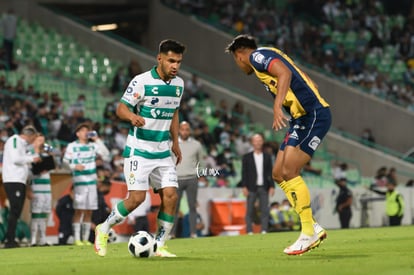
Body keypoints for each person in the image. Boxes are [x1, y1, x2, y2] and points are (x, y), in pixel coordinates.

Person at [226, 34, 331, 255]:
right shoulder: (267, 57)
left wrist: (276, 108)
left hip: (312, 116)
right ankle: (312, 225)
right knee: (277, 173)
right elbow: (302, 77)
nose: (238, 65)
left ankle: (307, 232)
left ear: (239, 55)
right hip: (300, 119)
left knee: (290, 171)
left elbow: (284, 73)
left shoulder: (257, 56)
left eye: (235, 60)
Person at [94, 39, 186, 258]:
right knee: (137, 199)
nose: (175, 66)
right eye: (171, 60)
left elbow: (174, 112)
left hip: (163, 150)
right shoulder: (142, 81)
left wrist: (176, 142)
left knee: (171, 196)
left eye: (179, 62)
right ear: (160, 59)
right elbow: (121, 108)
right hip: (140, 149)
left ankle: (160, 245)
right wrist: (132, 116)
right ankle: (104, 228)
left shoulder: (179, 85)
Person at [63, 122, 110, 246]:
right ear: (78, 133)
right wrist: (74, 166)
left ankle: (85, 239)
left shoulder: (93, 146)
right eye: (83, 130)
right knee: (79, 210)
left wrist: (97, 140)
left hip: (91, 182)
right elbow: (65, 161)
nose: (85, 132)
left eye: (87, 130)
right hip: (79, 182)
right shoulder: (72, 146)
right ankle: (77, 238)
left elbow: (106, 155)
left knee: (89, 210)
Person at [2, 125, 41, 248]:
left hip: (19, 180)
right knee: (15, 209)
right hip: (13, 179)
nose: (33, 140)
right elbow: (15, 159)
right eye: (33, 138)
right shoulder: (15, 140)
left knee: (17, 210)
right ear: (29, 135)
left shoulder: (22, 145)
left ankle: (11, 238)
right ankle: (10, 239)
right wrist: (32, 158)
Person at [171, 121, 205, 239]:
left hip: (192, 179)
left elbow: (201, 161)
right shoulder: (172, 144)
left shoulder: (196, 145)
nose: (184, 132)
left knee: (192, 206)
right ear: (179, 130)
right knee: (174, 207)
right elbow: (169, 161)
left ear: (189, 131)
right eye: (182, 129)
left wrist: (201, 175)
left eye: (187, 129)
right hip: (177, 179)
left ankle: (193, 233)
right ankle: (172, 233)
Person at [240, 133, 275, 234]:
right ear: (252, 142)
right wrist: (244, 186)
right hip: (251, 187)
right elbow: (244, 173)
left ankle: (264, 229)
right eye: (256, 140)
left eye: (260, 140)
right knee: (250, 210)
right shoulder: (247, 157)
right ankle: (249, 230)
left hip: (264, 186)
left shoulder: (267, 157)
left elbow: (270, 172)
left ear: (262, 142)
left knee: (264, 209)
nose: (258, 142)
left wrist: (272, 186)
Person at [28, 135, 55, 246]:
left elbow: (53, 165)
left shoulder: (46, 155)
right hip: (36, 187)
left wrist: (50, 157)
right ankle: (33, 239)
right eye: (39, 140)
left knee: (44, 213)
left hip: (47, 188)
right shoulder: (30, 154)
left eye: (43, 140)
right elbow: (29, 171)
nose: (42, 142)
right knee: (36, 213)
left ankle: (43, 238)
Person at [88, 178, 112, 243]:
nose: (109, 189)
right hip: (91, 226)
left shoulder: (100, 195)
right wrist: (89, 223)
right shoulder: (91, 194)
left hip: (99, 226)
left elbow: (104, 208)